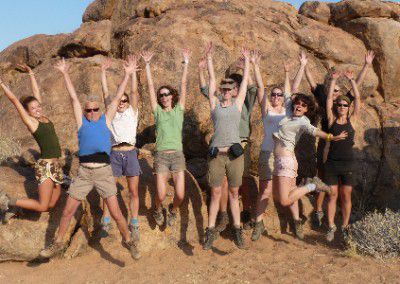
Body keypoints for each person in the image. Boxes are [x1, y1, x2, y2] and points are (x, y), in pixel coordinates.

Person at [39, 57, 140, 260]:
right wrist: (65, 73)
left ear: (99, 110)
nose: (92, 112)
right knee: (68, 211)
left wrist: (128, 75)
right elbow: (74, 98)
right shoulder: (81, 122)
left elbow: (118, 95)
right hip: (84, 173)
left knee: (117, 213)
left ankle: (129, 241)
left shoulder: (106, 119)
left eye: (95, 109)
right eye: (89, 110)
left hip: (103, 171)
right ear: (84, 112)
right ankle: (57, 243)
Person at [304, 51, 375, 228]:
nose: (336, 95)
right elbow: (313, 84)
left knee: (338, 188)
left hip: (341, 148)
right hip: (325, 143)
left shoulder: (344, 103)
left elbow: (356, 88)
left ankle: (338, 219)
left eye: (338, 92)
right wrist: (304, 66)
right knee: (322, 179)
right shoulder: (325, 98)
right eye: (333, 91)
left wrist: (366, 66)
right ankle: (318, 211)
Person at [250, 52, 306, 241]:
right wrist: (255, 65)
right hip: (267, 153)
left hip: (286, 156)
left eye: (279, 94)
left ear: (283, 97)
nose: (275, 97)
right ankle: (258, 223)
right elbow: (259, 87)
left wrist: (301, 66)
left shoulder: (289, 111)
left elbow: (295, 87)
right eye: (273, 94)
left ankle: (297, 222)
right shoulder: (267, 110)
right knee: (265, 190)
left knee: (291, 189)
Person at [198, 54, 258, 231]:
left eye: (236, 86)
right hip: (224, 144)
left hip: (242, 143)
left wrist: (245, 67)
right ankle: (223, 216)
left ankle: (245, 213)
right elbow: (205, 89)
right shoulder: (222, 99)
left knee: (243, 181)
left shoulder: (244, 100)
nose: (232, 89)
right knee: (222, 182)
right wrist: (201, 68)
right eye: (229, 86)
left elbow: (252, 87)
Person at [0, 65, 63, 217]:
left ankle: (11, 207)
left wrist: (31, 74)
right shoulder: (32, 123)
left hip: (56, 165)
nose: (37, 109)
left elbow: (36, 93)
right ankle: (8, 202)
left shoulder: (44, 117)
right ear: (28, 112)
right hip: (46, 167)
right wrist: (1, 84)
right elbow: (15, 100)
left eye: (38, 106)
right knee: (42, 206)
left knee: (52, 204)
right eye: (33, 109)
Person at [141, 48, 189, 228]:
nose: (163, 97)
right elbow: (150, 88)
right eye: (161, 95)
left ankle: (173, 210)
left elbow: (184, 85)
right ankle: (156, 209)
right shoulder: (158, 112)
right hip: (161, 155)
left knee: (181, 195)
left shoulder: (179, 110)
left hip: (177, 155)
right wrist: (146, 65)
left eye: (166, 94)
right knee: (160, 195)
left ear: (172, 96)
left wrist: (186, 63)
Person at [99, 56, 142, 244]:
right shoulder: (112, 112)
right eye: (120, 100)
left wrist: (131, 74)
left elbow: (133, 92)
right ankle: (106, 220)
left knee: (133, 191)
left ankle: (134, 222)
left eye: (125, 100)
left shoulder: (132, 112)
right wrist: (102, 72)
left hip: (131, 152)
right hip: (114, 153)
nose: (122, 102)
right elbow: (106, 92)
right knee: (109, 190)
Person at [324, 70, 360, 242]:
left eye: (345, 105)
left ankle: (345, 226)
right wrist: (334, 81)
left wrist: (352, 81)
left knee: (346, 196)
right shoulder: (331, 119)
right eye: (339, 105)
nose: (342, 107)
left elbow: (358, 100)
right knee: (332, 195)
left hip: (348, 164)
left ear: (348, 107)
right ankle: (331, 226)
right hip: (332, 163)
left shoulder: (352, 120)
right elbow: (329, 99)